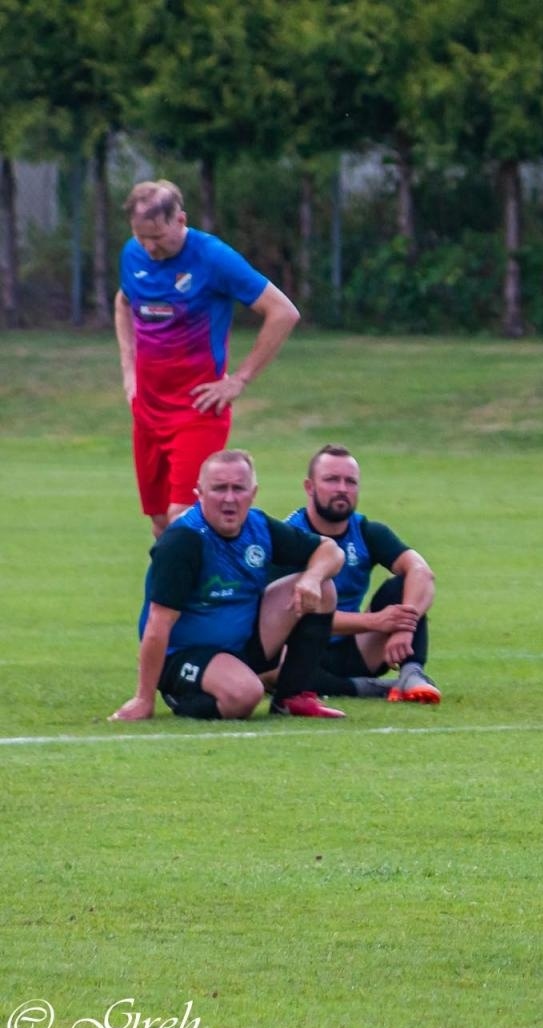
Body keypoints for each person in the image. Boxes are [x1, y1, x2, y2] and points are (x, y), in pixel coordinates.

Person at [116, 180, 301, 538]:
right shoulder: (132, 254)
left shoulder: (213, 257)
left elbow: (283, 312)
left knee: (183, 518)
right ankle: (178, 580)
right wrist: (128, 369)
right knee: (160, 520)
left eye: (157, 237)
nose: (149, 247)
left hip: (198, 410)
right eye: (141, 237)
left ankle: (231, 572)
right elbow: (123, 302)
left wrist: (240, 379)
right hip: (148, 410)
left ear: (180, 220)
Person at [111, 449, 349, 721]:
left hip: (243, 645)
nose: (229, 498)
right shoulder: (184, 541)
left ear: (253, 493)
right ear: (200, 493)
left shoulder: (259, 526)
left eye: (238, 488)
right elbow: (158, 623)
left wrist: (312, 578)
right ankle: (183, 695)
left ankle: (292, 697)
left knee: (324, 589)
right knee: (246, 695)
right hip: (182, 655)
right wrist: (144, 699)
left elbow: (331, 550)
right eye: (219, 488)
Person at [278, 445, 441, 704]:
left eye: (350, 482)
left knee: (405, 585)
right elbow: (296, 616)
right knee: (274, 669)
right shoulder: (288, 537)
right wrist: (375, 621)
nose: (342, 488)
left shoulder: (367, 531)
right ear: (309, 487)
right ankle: (374, 688)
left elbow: (422, 573)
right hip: (301, 647)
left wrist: (404, 627)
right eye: (332, 480)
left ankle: (412, 673)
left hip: (355, 649)